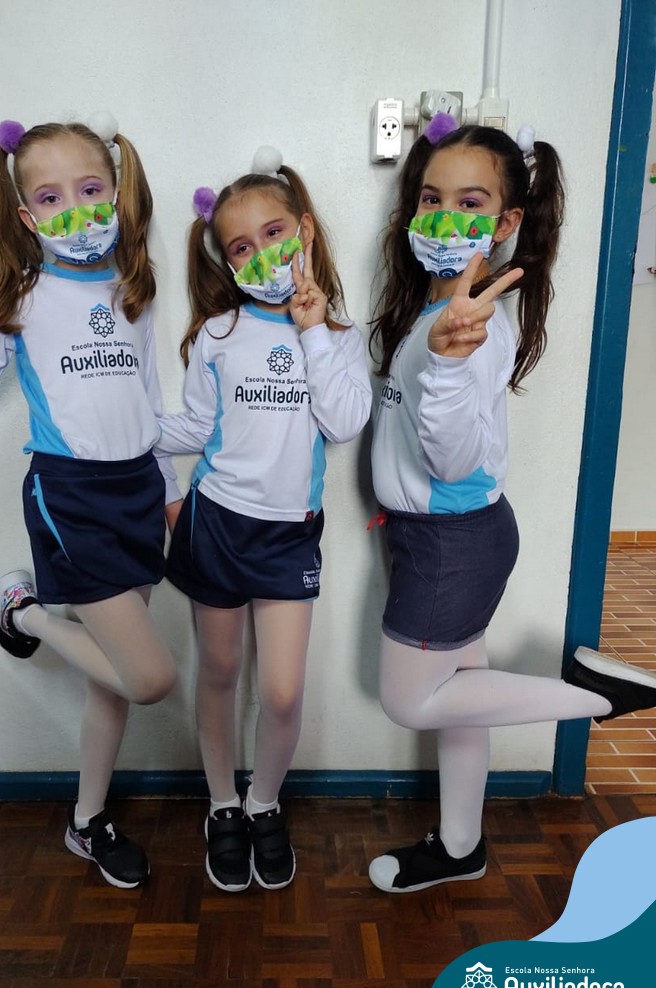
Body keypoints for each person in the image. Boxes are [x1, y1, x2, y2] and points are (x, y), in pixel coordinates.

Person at [367, 114, 656, 894]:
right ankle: (461, 846)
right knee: (460, 699)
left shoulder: (470, 330)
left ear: (506, 223)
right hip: (455, 536)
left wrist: (446, 367)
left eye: (471, 203)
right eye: (432, 199)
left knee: (410, 700)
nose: (444, 217)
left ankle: (600, 696)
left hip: (450, 544)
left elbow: (451, 457)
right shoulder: (439, 312)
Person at [0, 115, 180, 889]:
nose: (76, 208)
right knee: (148, 677)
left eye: (91, 188)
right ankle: (25, 613)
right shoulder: (22, 295)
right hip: (71, 499)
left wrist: (168, 492)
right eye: (51, 196)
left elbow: (149, 398)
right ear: (27, 216)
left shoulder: (133, 287)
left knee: (111, 681)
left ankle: (87, 821)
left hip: (138, 492)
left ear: (117, 193)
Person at [156, 147, 371, 891]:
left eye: (273, 234)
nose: (260, 254)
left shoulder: (339, 337)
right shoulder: (217, 335)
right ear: (225, 259)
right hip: (215, 524)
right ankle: (223, 804)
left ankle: (264, 802)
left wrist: (312, 331)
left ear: (304, 230)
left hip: (288, 536)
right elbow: (193, 428)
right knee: (219, 672)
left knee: (280, 691)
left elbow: (343, 423)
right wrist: (132, 449)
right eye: (240, 246)